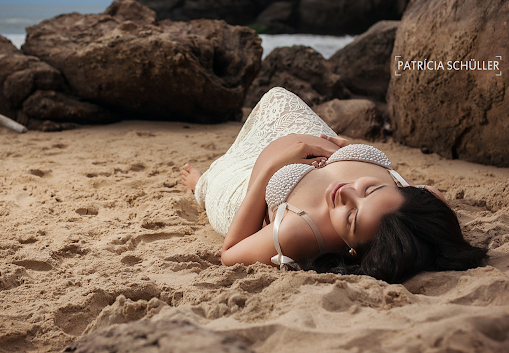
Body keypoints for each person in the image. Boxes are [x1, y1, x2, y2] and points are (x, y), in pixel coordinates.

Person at [181, 87, 487, 284]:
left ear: (352, 249)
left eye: (351, 217)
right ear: (403, 193)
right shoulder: (418, 206)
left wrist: (274, 167)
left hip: (247, 186)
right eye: (371, 189)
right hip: (300, 137)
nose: (346, 192)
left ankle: (201, 184)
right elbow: (437, 212)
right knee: (276, 95)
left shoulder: (299, 232)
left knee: (213, 180)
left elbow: (229, 253)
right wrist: (349, 148)